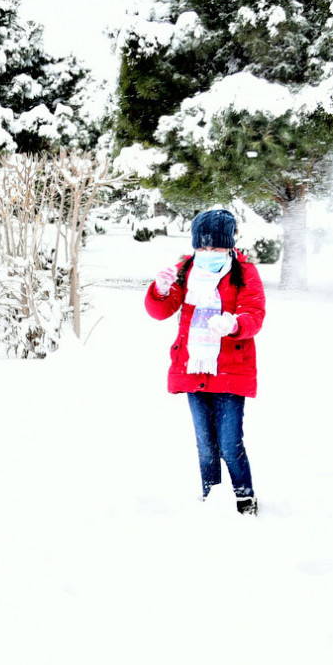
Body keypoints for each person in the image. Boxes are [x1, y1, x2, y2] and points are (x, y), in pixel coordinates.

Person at [145, 208, 267, 515]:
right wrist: (160, 290)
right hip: (193, 368)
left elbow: (255, 314)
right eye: (202, 245)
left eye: (215, 246)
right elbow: (161, 311)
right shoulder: (186, 269)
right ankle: (212, 500)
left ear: (229, 243)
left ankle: (244, 500)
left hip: (230, 369)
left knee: (229, 443)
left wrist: (234, 324)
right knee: (205, 444)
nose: (208, 252)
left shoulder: (244, 271)